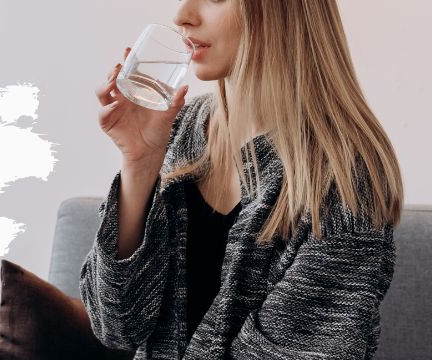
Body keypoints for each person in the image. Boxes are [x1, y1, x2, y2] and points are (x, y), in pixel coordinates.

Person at [78, 0, 404, 358]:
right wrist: (139, 165)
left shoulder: (342, 176)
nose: (182, 16)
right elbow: (116, 326)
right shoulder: (178, 128)